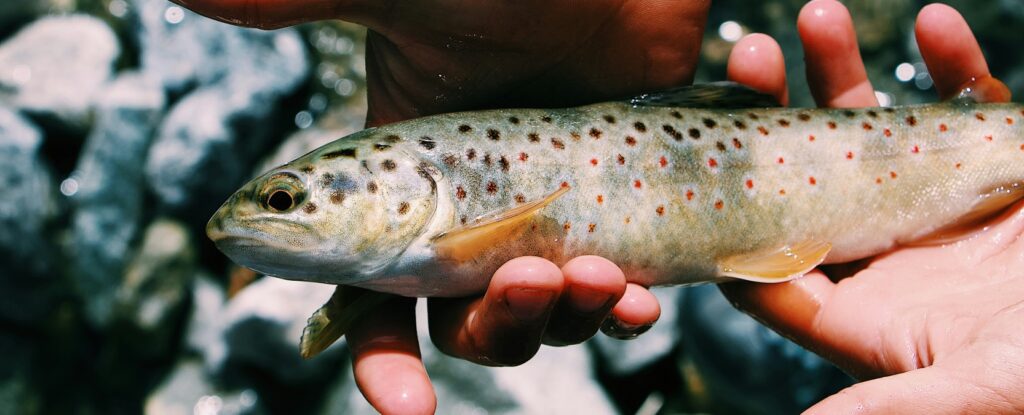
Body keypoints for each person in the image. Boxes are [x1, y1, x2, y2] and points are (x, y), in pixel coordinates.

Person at [173, 0, 1024, 413]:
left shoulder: (428, 237)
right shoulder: (403, 254)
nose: (252, 221)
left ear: (406, 187)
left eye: (286, 199)